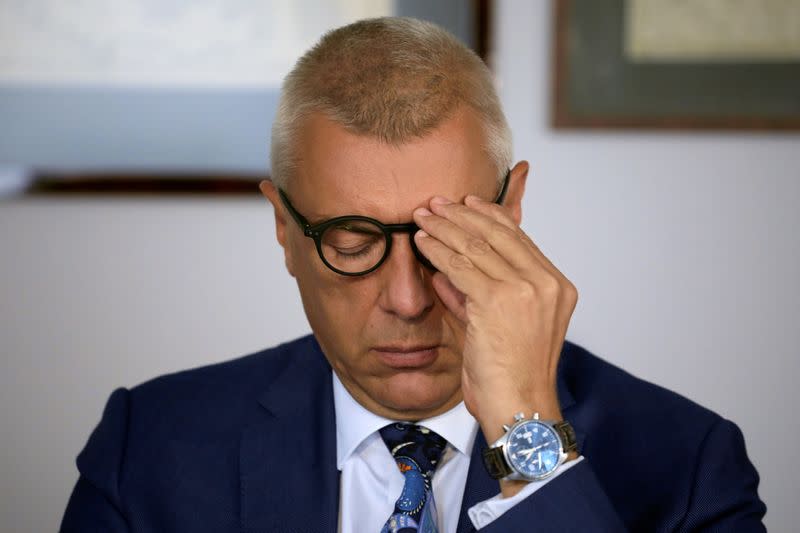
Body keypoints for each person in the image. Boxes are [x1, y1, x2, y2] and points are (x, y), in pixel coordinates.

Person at [61, 17, 766, 532]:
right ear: (284, 227)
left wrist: (530, 436)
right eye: (351, 240)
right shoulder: (148, 445)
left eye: (445, 239)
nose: (405, 300)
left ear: (510, 209)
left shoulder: (690, 462)